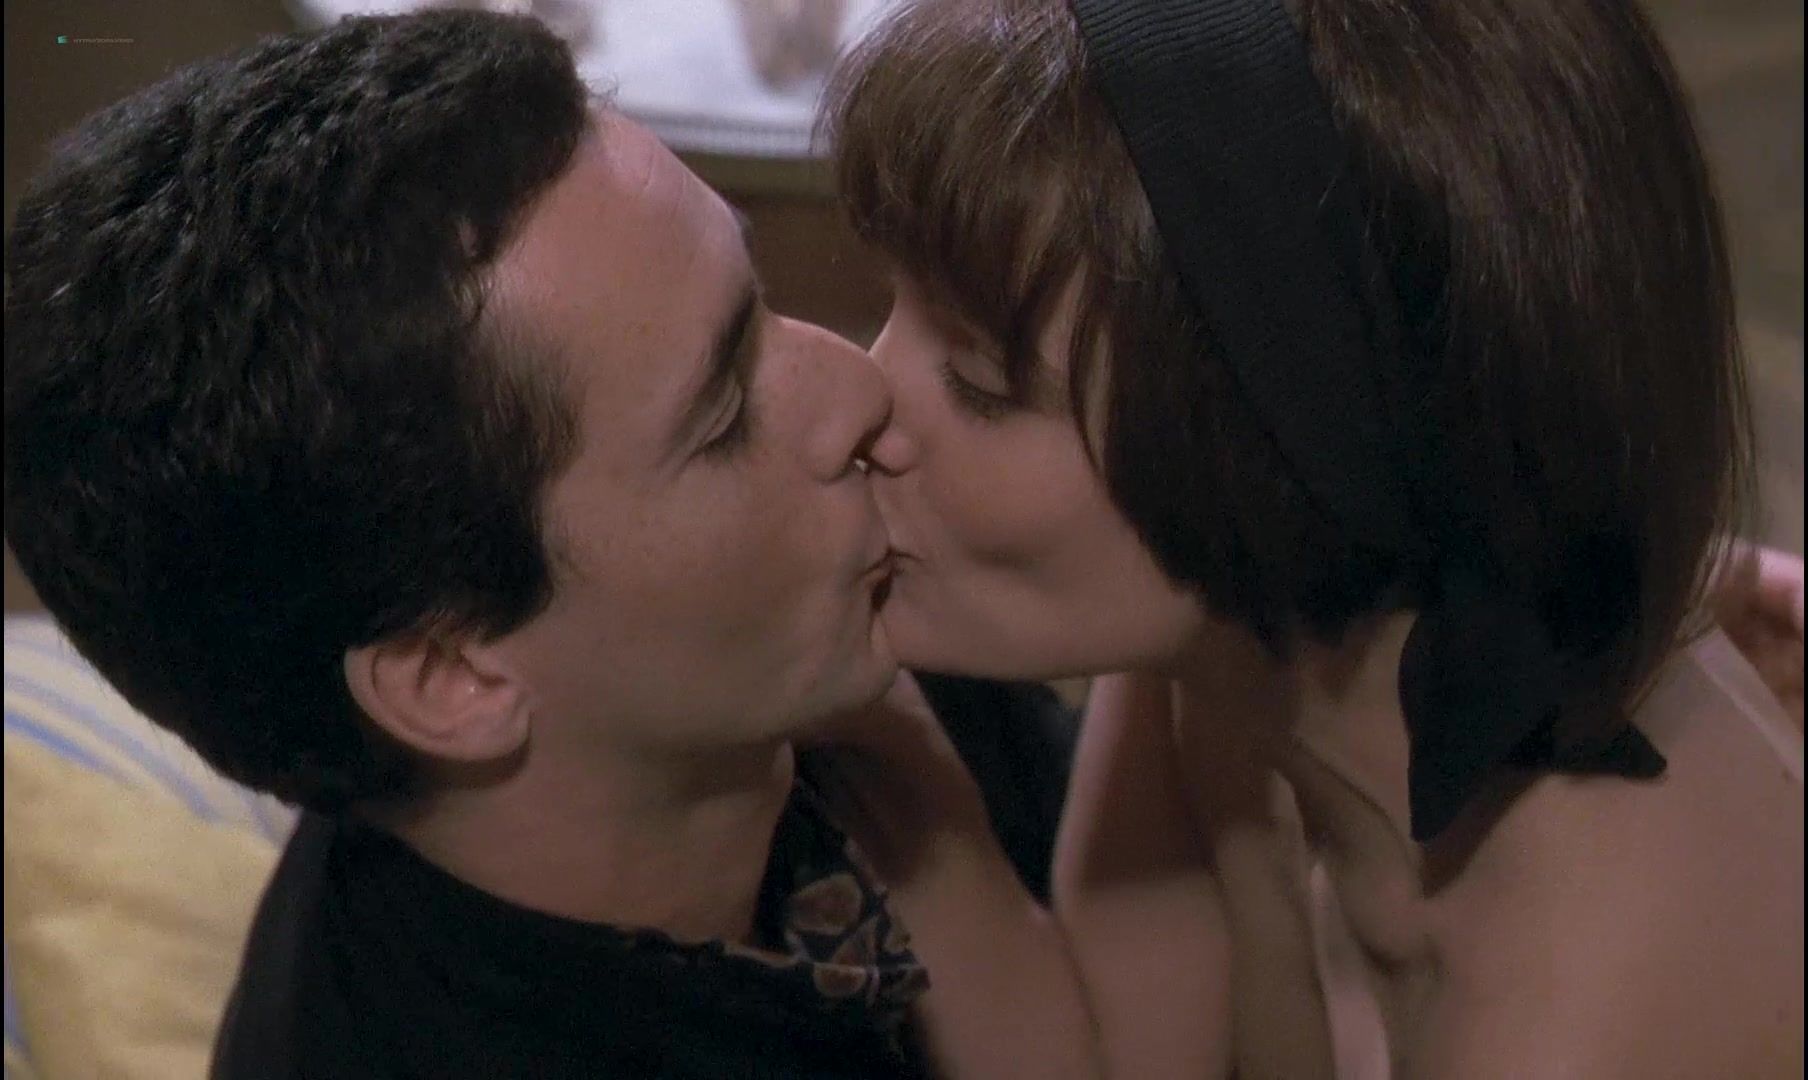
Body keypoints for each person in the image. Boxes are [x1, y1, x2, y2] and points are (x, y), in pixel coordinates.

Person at [1, 11, 1099, 1078]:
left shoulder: (805, 636)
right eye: (723, 415)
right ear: (453, 677)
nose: (859, 391)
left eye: (757, 301)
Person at [818, 0, 1805, 1075]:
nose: (858, 396)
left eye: (978, 380)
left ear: (1297, 452)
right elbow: (1125, 1039)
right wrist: (882, 756)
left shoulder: (1576, 1018)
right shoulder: (1236, 633)